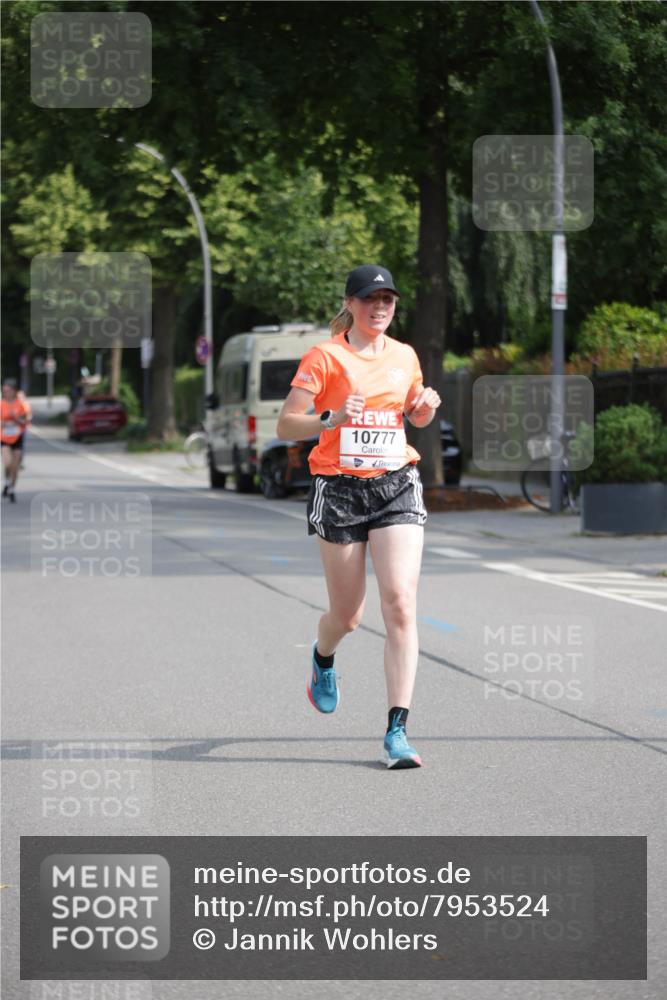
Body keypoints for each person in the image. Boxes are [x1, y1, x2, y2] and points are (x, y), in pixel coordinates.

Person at [277, 265, 441, 769]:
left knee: (400, 602)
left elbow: (412, 414)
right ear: (350, 303)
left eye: (388, 299)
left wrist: (424, 409)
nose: (380, 307)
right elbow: (286, 424)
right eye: (370, 299)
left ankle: (397, 731)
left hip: (395, 484)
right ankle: (323, 657)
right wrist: (332, 418)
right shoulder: (325, 357)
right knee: (348, 616)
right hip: (339, 488)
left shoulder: (405, 355)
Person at [1, 378, 31, 502]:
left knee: (15, 466)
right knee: (8, 464)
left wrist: (16, 419)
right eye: (4, 390)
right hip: (4, 438)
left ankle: (12, 489)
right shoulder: (1, 404)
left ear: (14, 391)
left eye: (8, 390)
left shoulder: (21, 404)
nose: (5, 393)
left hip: (17, 437)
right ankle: (7, 482)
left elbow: (26, 420)